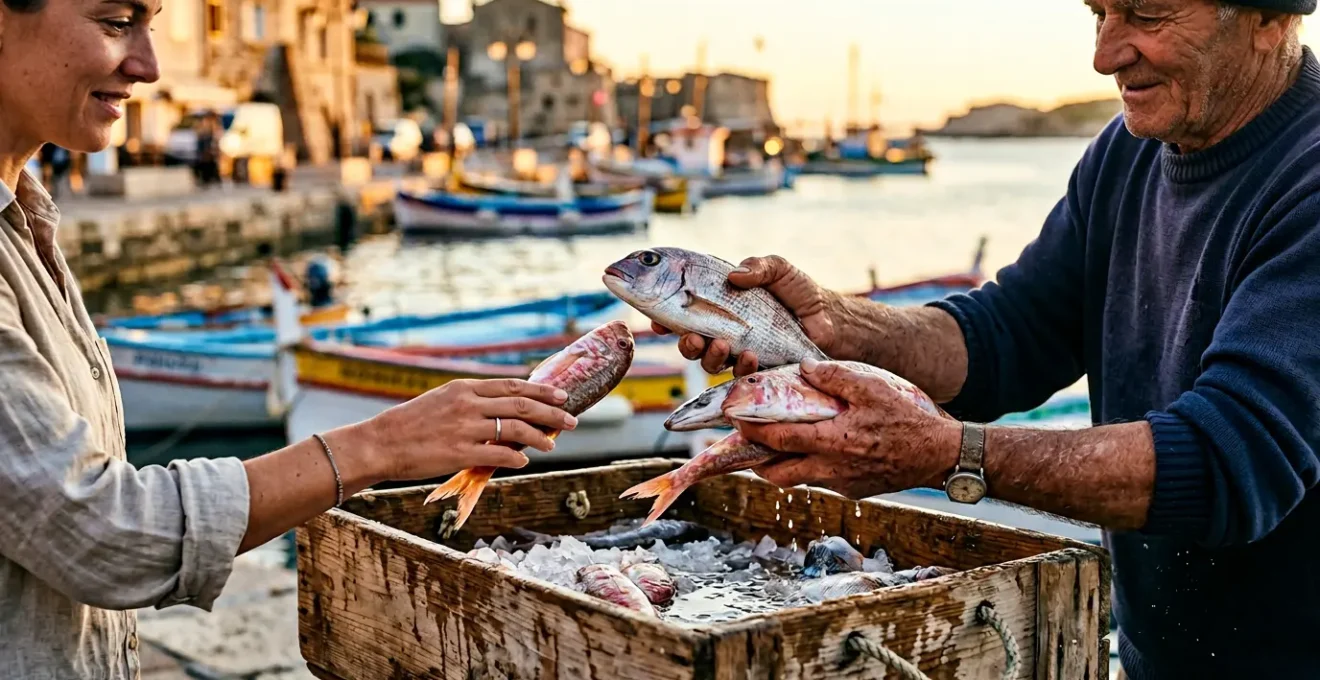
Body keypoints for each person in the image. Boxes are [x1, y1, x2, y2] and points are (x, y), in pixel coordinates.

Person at [663, 1, 1320, 677]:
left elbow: (1229, 462)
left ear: (1270, 16)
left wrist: (953, 455)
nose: (1106, 54)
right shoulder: (1128, 152)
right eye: (1099, 12)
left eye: (1148, 13)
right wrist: (829, 322)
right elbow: (1012, 333)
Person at [0, 1, 577, 677]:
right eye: (114, 20)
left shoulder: (27, 219)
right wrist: (383, 444)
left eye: (152, 23)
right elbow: (102, 533)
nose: (148, 65)